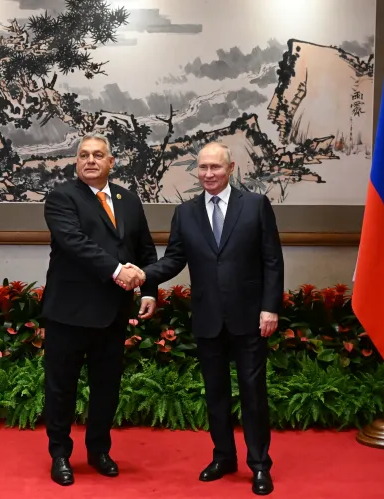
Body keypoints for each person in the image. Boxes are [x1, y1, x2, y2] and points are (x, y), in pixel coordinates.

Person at [117, 141, 283, 495]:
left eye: (216, 168)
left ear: (231, 168)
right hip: (208, 319)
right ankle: (223, 457)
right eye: (203, 168)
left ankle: (259, 465)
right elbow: (174, 259)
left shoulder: (255, 206)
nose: (208, 174)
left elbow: (272, 259)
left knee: (253, 393)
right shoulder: (186, 212)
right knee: (216, 393)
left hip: (250, 317)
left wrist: (270, 308)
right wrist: (144, 276)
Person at [41, 132, 158, 486]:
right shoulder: (62, 197)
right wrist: (118, 270)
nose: (90, 160)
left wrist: (149, 290)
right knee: (61, 388)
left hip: (112, 313)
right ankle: (60, 454)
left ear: (111, 162)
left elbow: (145, 250)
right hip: (69, 313)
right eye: (83, 155)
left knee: (106, 387)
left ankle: (99, 450)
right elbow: (75, 244)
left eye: (98, 155)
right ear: (76, 162)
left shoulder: (128, 199)